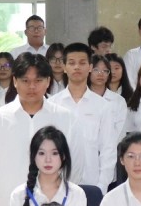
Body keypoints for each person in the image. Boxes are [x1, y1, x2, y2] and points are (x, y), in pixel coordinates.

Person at [0, 54, 76, 206]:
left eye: (38, 80)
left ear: (48, 81)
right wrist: (7, 191)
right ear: (15, 81)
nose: (32, 86)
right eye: (25, 80)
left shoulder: (65, 118)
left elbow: (75, 164)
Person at [47, 43, 119, 189]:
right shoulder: (51, 105)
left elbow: (108, 149)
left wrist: (102, 185)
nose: (77, 67)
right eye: (72, 63)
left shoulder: (103, 106)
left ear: (90, 67)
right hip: (58, 183)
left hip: (92, 183)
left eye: (82, 63)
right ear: (64, 67)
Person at [6, 126, 88, 206]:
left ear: (63, 156)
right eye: (41, 153)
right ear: (33, 156)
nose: (48, 160)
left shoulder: (77, 194)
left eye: (54, 153)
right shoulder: (19, 195)